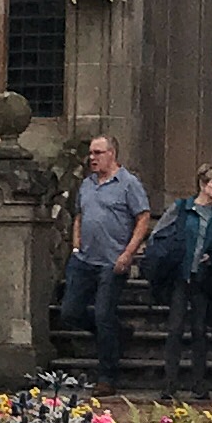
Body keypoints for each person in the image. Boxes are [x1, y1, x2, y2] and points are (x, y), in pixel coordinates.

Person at [62, 130, 152, 386]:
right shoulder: (87, 184)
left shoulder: (128, 183)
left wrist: (128, 253)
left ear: (111, 154)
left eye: (98, 153)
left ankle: (107, 376)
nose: (92, 158)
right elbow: (79, 214)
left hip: (112, 261)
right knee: (70, 312)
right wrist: (76, 244)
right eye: (91, 153)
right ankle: (118, 333)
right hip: (84, 259)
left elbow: (143, 218)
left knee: (103, 314)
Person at [147, 163, 212, 395]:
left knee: (200, 330)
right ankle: (170, 382)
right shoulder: (181, 208)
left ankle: (199, 382)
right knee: (175, 328)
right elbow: (158, 234)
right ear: (203, 184)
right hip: (180, 275)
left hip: (204, 279)